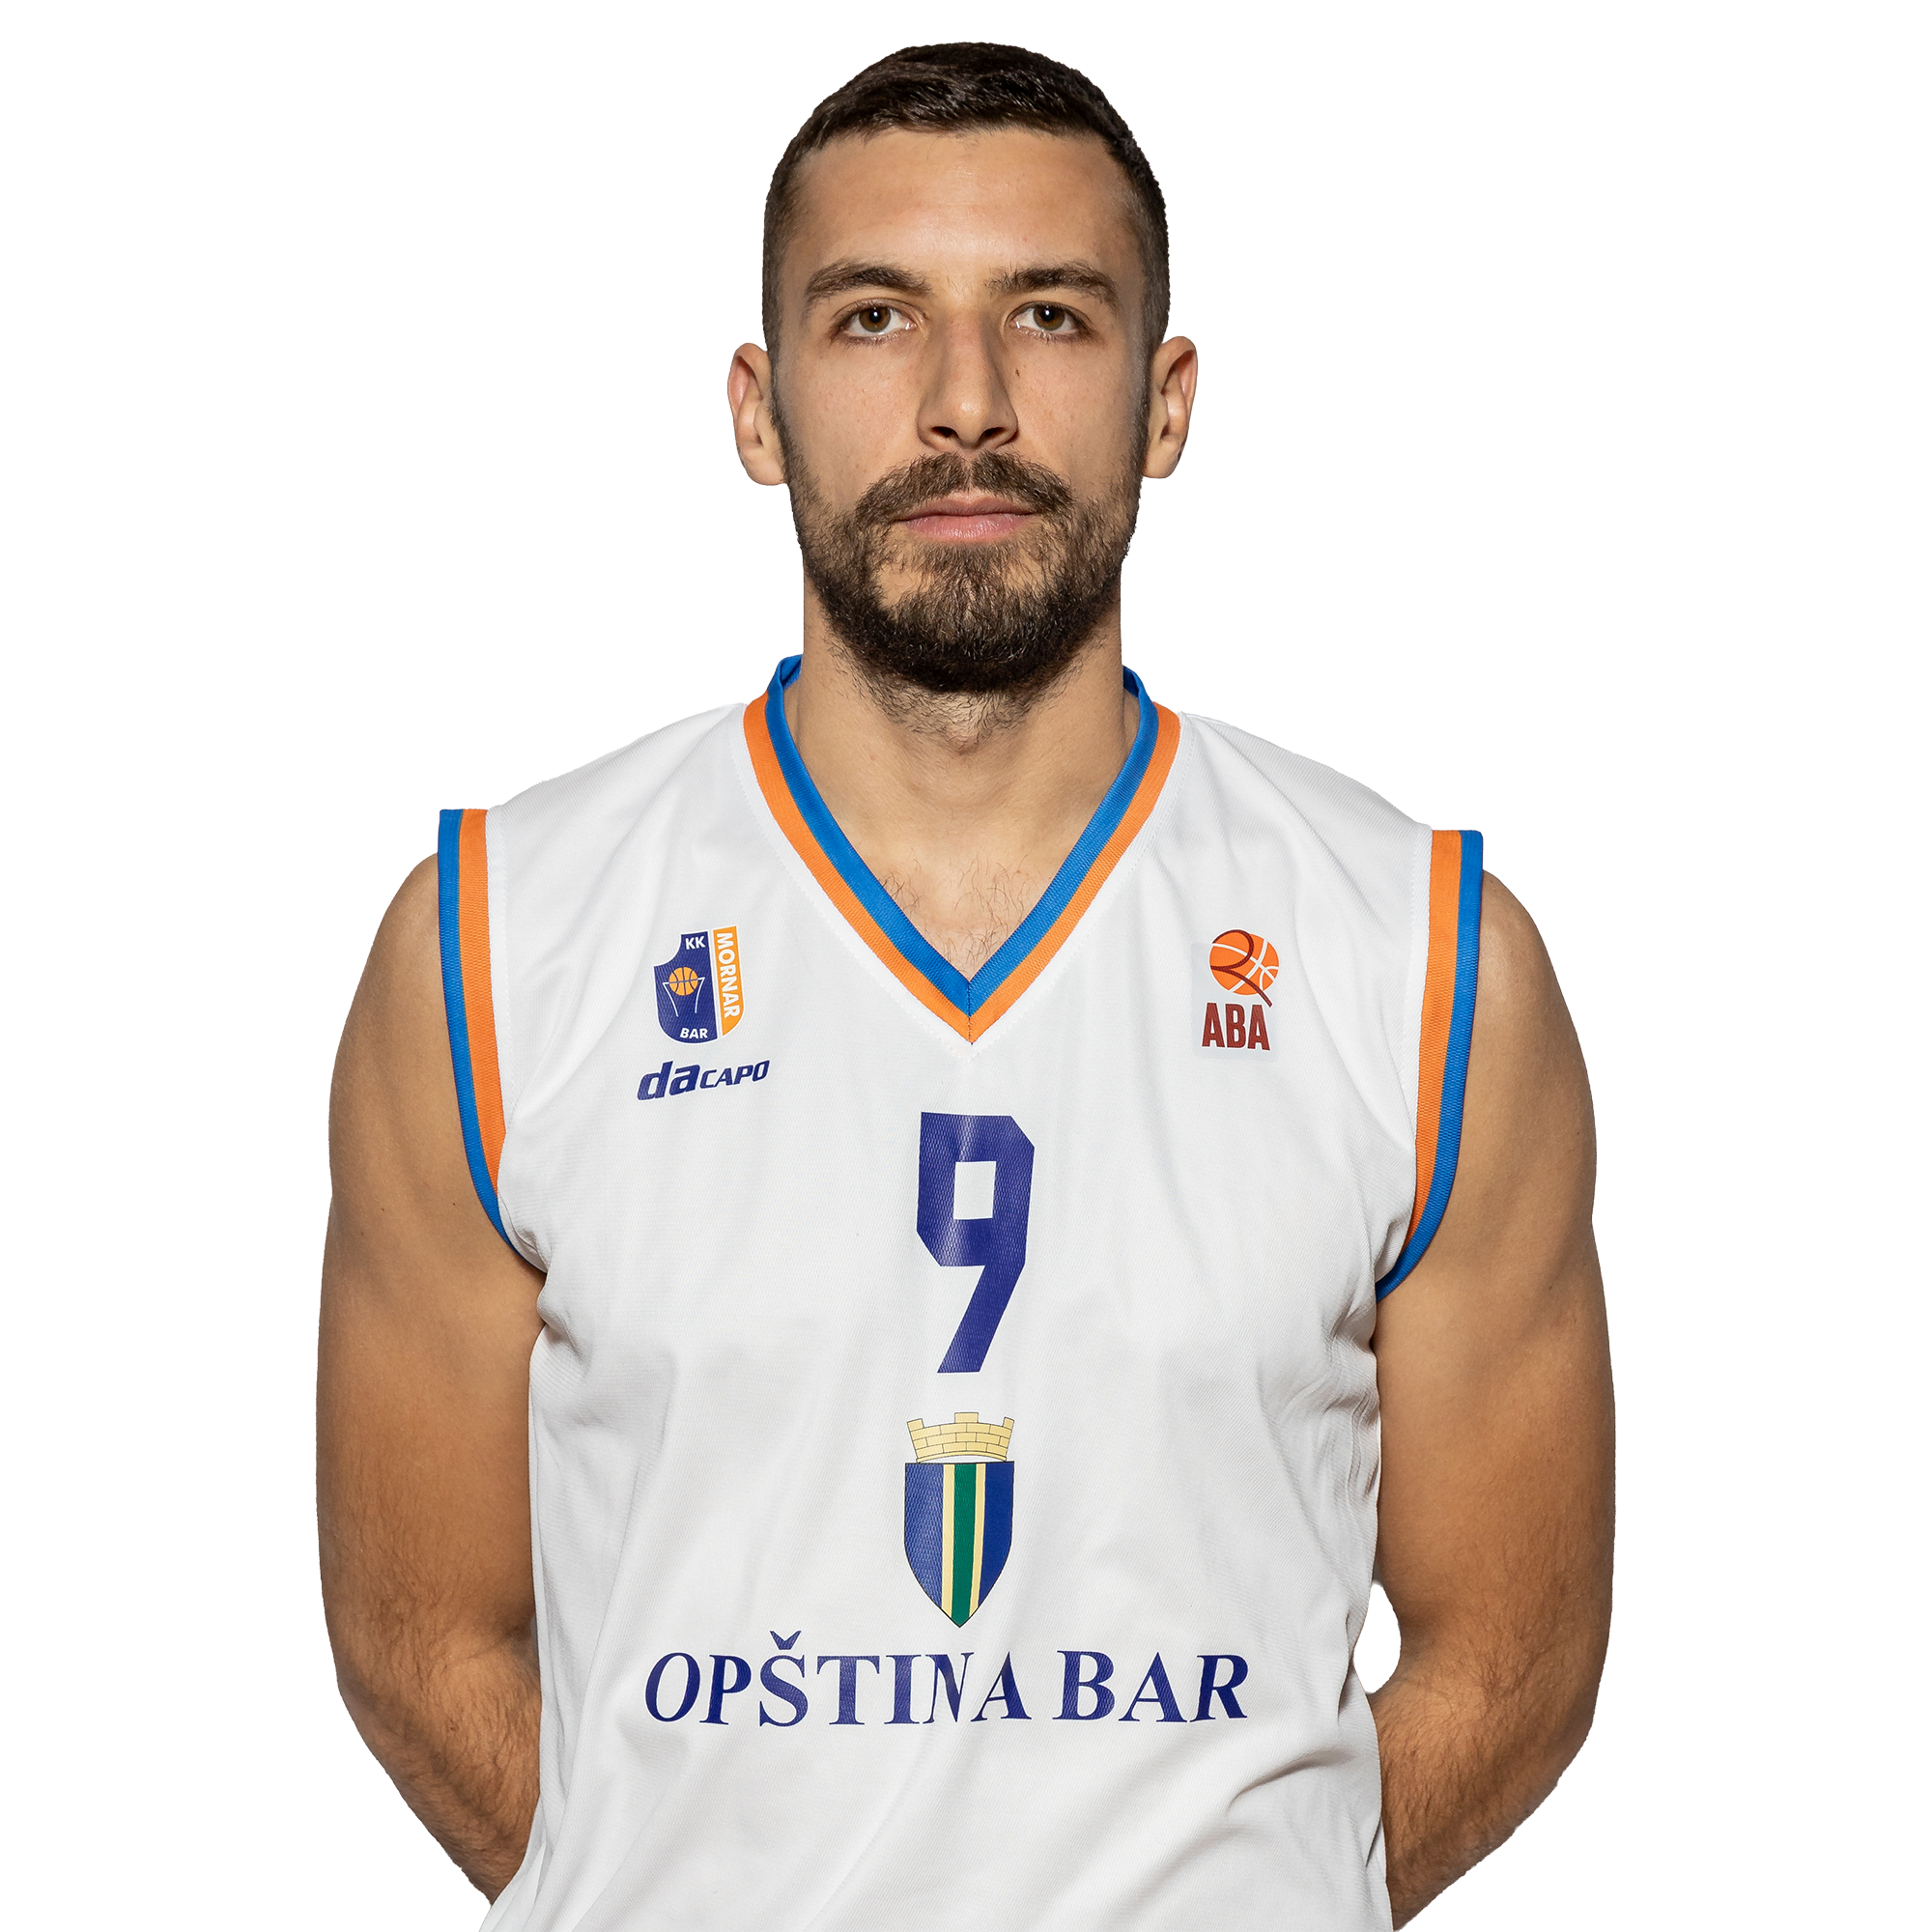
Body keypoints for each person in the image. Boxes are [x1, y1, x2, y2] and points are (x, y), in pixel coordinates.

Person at [318, 42, 1612, 1932]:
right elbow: (419, 1635)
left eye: (1051, 315)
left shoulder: (1421, 959)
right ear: (756, 412)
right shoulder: (496, 945)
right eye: (874, 318)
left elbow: (1514, 1654)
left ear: (1166, 402)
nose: (966, 403)